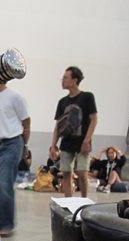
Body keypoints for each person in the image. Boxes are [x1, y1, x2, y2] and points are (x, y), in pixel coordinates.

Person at [0, 82, 30, 236]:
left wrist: (24, 145)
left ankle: (7, 224)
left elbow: (26, 122)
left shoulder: (14, 97)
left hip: (11, 143)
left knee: (4, 184)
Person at [49, 66, 97, 198]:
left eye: (65, 78)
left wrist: (87, 140)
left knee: (82, 172)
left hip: (82, 140)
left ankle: (84, 200)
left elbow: (93, 120)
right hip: (67, 141)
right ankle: (68, 201)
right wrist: (53, 145)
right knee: (66, 172)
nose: (62, 80)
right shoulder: (62, 102)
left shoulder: (87, 97)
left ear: (74, 80)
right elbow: (58, 125)